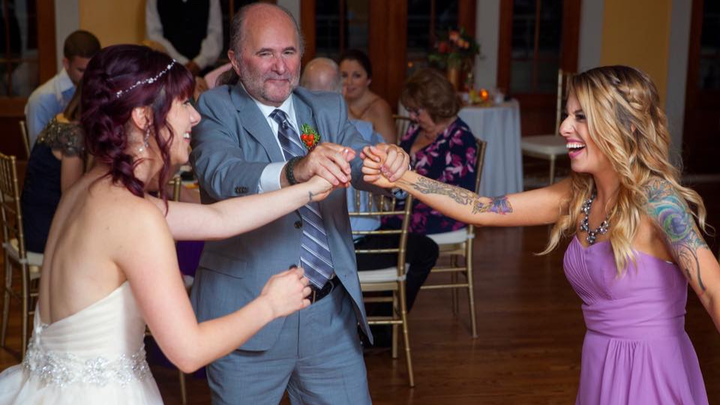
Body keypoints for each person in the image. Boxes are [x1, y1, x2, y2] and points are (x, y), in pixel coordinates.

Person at [362, 65, 720, 405]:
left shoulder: (658, 201)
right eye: (567, 115)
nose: (564, 127)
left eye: (580, 116)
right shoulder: (580, 193)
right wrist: (401, 177)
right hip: (599, 363)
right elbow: (482, 209)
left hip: (651, 371)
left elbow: (714, 294)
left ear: (622, 124)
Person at [0, 44, 337, 404]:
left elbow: (219, 218)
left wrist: (310, 189)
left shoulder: (89, 190)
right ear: (144, 117)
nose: (195, 117)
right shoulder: (134, 216)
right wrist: (270, 304)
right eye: (184, 104)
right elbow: (188, 351)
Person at [189, 4, 410, 404]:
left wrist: (387, 162)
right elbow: (222, 175)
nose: (280, 66)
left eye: (289, 52)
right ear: (236, 60)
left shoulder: (325, 107)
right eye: (265, 53)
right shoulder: (215, 108)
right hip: (248, 318)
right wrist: (296, 170)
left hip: (329, 320)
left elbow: (359, 160)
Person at [301, 57, 438, 314]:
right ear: (341, 92)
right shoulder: (364, 132)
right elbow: (390, 183)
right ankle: (385, 321)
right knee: (427, 250)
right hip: (358, 246)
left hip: (312, 251)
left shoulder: (294, 135)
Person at [385, 68, 478, 235]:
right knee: (365, 218)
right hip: (406, 205)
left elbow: (459, 197)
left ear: (436, 106)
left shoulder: (460, 138)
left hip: (440, 214)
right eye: (410, 110)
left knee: (376, 227)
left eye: (416, 111)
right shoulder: (416, 129)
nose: (412, 117)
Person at [20, 82, 85, 254]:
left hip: (30, 222)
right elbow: (70, 196)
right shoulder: (74, 134)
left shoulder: (59, 119)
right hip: (44, 233)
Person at [24, 30, 100, 147]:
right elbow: (38, 150)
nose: (88, 76)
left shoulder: (99, 90)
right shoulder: (42, 99)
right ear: (66, 63)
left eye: (92, 69)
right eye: (81, 70)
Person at [145, 0, 222, 77]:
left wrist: (200, 62)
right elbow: (154, 35)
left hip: (205, 71)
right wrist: (180, 61)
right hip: (169, 70)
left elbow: (215, 32)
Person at [339, 49, 397, 144]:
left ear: (368, 79)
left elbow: (389, 147)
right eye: (344, 75)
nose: (349, 82)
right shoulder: (335, 102)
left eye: (357, 76)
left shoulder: (380, 107)